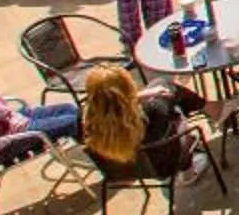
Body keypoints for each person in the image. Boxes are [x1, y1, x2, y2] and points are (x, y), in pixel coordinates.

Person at [78, 64, 207, 183]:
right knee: (174, 106)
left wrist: (141, 95)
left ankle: (212, 108)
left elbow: (112, 103)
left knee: (161, 88)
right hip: (164, 167)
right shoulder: (151, 110)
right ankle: (188, 171)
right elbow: (168, 100)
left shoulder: (84, 121)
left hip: (125, 171)